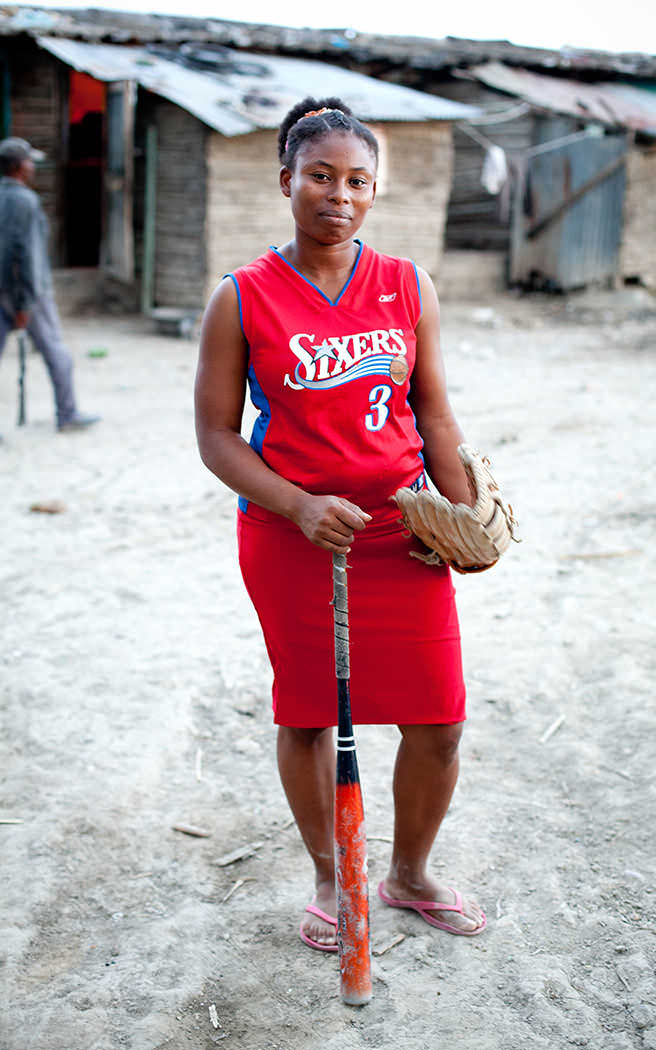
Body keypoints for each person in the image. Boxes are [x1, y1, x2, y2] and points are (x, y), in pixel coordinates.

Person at [195, 97, 486, 951]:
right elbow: (215, 436)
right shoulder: (241, 297)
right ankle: (333, 874)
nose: (340, 194)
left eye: (359, 180)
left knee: (439, 718)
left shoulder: (407, 285)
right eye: (320, 175)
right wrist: (296, 502)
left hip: (403, 533)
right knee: (310, 716)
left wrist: (464, 513)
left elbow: (432, 413)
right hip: (293, 540)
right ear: (287, 180)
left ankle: (408, 873)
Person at [0, 137, 100, 431]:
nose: (33, 166)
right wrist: (24, 303)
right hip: (29, 292)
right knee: (56, 353)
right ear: (19, 167)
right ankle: (67, 415)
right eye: (29, 161)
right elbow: (26, 256)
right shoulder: (25, 202)